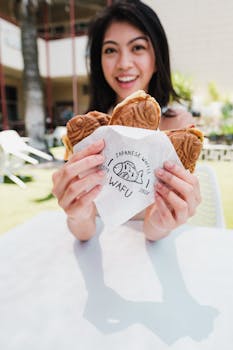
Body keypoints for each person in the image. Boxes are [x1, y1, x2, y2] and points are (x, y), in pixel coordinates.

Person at [52, 0, 201, 242]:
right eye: (110, 50)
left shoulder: (178, 130)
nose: (123, 63)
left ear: (157, 58)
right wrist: (76, 213)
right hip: (100, 253)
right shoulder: (88, 130)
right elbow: (85, 229)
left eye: (138, 47)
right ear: (98, 62)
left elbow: (155, 228)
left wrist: (162, 220)